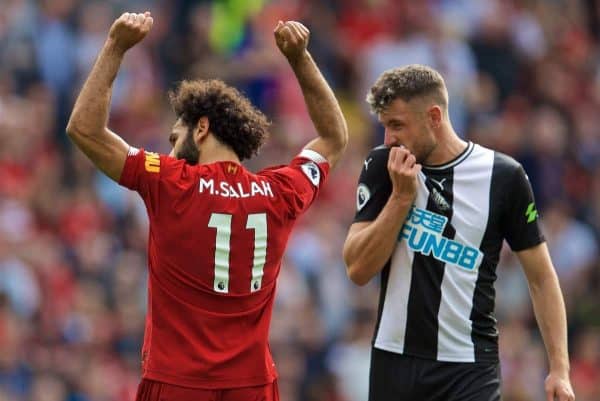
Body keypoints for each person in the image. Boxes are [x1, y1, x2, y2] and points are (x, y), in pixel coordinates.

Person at [66, 11, 347, 401]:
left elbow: (84, 130)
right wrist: (300, 58)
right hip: (252, 385)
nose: (169, 148)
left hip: (178, 381)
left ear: (201, 128)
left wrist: (116, 46)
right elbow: (333, 138)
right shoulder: (279, 191)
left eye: (174, 135)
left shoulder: (170, 180)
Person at [342, 65, 575, 401]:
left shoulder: (504, 176)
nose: (388, 139)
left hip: (469, 369)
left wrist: (560, 369)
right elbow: (357, 269)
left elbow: (541, 276)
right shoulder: (384, 166)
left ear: (434, 116)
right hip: (395, 360)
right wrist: (401, 198)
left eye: (397, 125)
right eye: (385, 126)